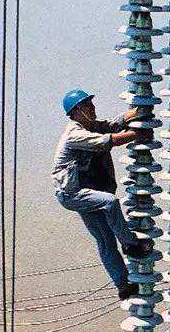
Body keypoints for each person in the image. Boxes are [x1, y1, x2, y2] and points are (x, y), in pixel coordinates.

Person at [53, 89, 150, 301]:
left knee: (105, 240)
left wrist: (135, 113)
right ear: (76, 111)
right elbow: (108, 140)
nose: (92, 108)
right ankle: (130, 244)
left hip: (88, 192)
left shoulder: (90, 126)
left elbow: (111, 126)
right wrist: (137, 135)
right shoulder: (74, 134)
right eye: (87, 105)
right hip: (72, 194)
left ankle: (123, 286)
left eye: (91, 104)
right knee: (110, 203)